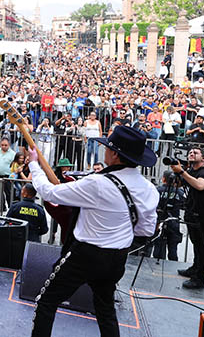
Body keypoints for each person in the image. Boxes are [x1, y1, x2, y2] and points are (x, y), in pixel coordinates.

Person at [28, 125, 159, 336]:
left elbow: (49, 192)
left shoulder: (97, 183)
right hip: (117, 257)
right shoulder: (149, 189)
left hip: (85, 256)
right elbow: (146, 229)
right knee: (105, 309)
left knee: (46, 301)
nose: (104, 151)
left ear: (115, 154)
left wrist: (34, 164)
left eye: (107, 148)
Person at [173, 147, 204, 289]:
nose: (191, 154)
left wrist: (182, 172)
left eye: (195, 153)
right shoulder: (191, 171)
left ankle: (199, 278)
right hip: (191, 212)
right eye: (190, 152)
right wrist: (177, 173)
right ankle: (194, 268)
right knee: (195, 244)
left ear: (203, 158)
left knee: (201, 246)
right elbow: (179, 184)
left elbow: (199, 185)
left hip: (202, 215)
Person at [152, 170, 184, 262]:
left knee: (159, 249)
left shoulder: (157, 190)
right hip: (174, 222)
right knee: (173, 249)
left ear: (163, 179)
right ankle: (173, 265)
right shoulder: (180, 192)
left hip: (160, 223)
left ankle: (157, 265)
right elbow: (184, 205)